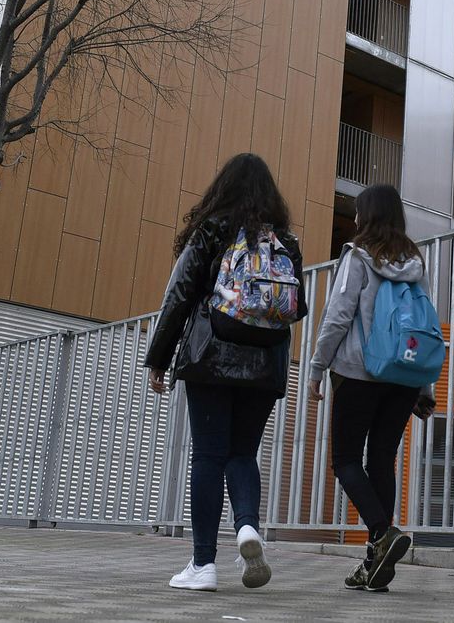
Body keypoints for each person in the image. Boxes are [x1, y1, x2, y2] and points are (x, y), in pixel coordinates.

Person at [144, 153, 304, 593]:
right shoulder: (286, 242)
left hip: (211, 359)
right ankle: (248, 528)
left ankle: (202, 565)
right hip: (266, 366)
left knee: (209, 456)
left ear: (224, 188)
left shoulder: (211, 231)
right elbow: (298, 307)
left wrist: (159, 359)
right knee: (242, 454)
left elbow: (180, 295)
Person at [308, 184, 437, 593]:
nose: (355, 218)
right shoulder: (414, 261)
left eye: (358, 211)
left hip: (358, 372)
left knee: (345, 461)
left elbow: (338, 315)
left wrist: (316, 367)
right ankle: (373, 565)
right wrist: (424, 385)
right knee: (380, 460)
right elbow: (423, 326)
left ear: (367, 215)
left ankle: (382, 534)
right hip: (403, 375)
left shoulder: (357, 254)